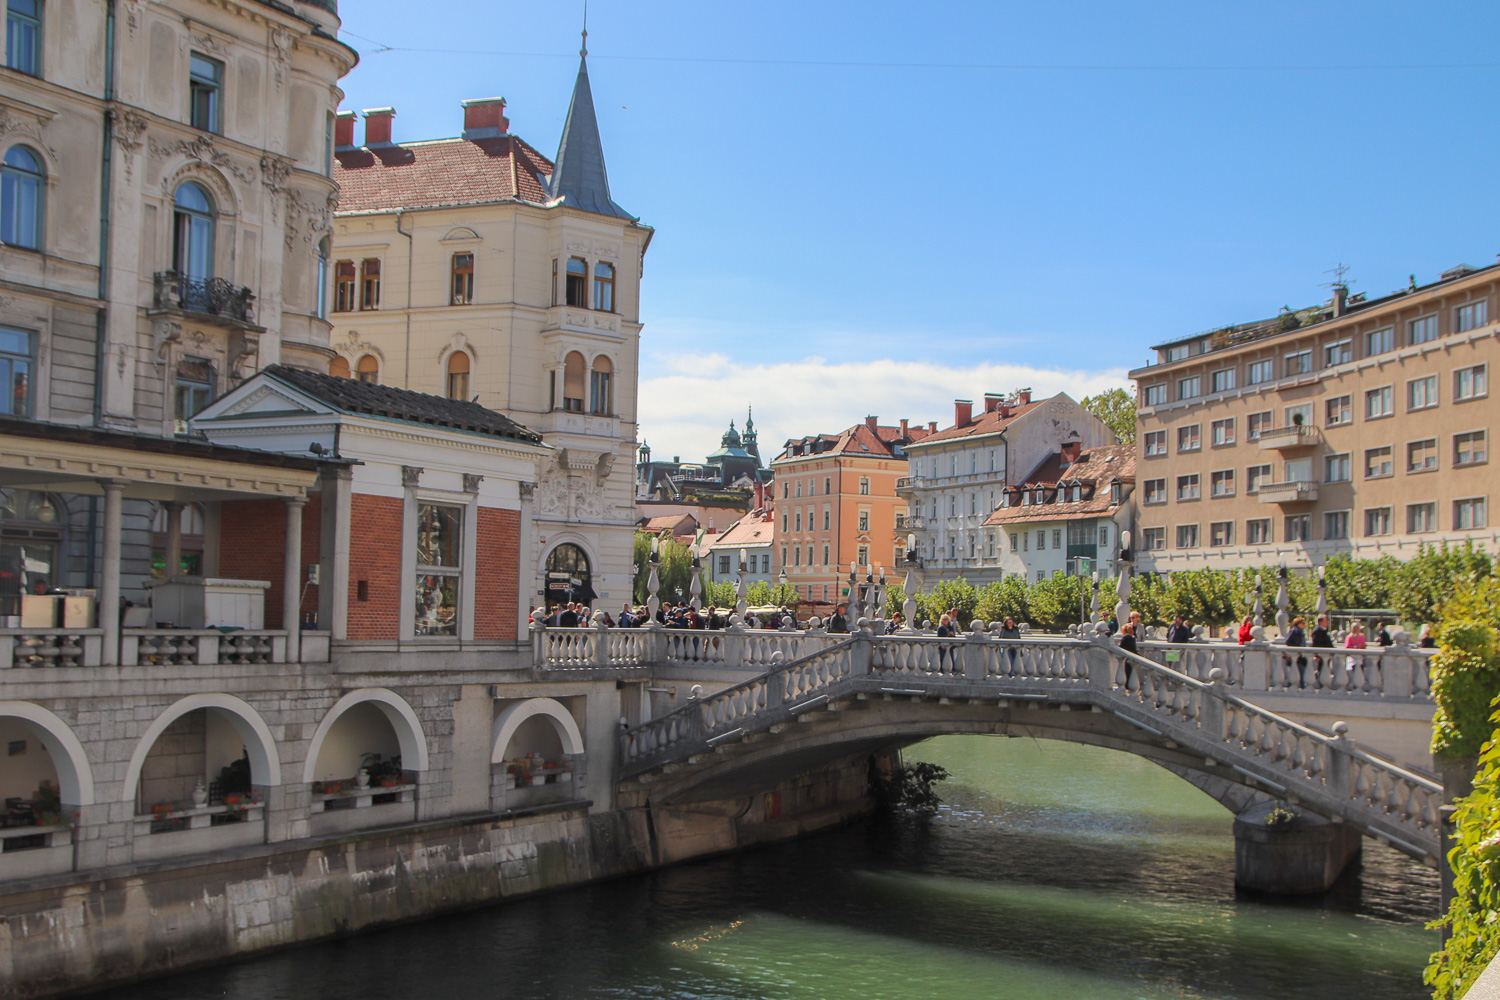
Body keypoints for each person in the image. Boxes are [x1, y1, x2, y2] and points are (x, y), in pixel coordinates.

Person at [1284, 616, 1308, 689]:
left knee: (1299, 670)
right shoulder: (1295, 631)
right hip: (1296, 654)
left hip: (1300, 655)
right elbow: (1288, 641)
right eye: (1302, 623)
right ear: (1298, 623)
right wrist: (1297, 646)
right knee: (1299, 670)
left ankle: (1294, 684)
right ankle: (1300, 686)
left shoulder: (1301, 631)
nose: (1304, 625)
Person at [1118, 623, 1137, 687]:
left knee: (1127, 672)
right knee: (1131, 672)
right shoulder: (1132, 637)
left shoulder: (1125, 637)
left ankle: (1127, 686)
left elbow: (1121, 646)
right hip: (1132, 656)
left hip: (1127, 657)